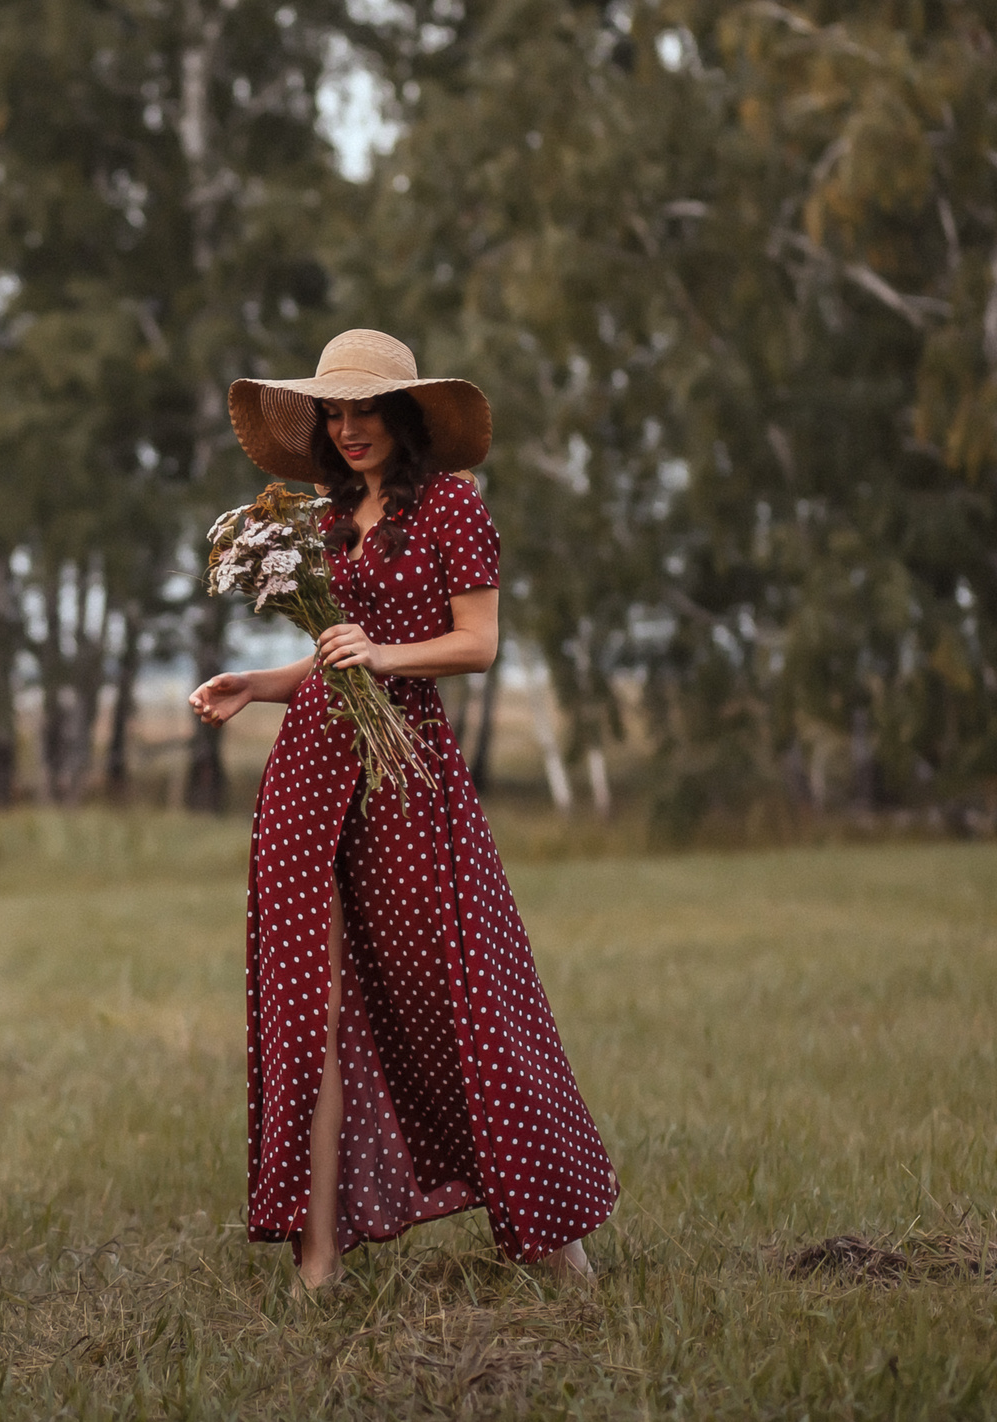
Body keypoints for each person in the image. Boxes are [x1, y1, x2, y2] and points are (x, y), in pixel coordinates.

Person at [189, 329, 616, 1292]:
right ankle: (317, 1263)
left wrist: (381, 656)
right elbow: (333, 657)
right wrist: (257, 684)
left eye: (363, 410)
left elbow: (477, 645)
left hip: (408, 780)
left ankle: (556, 1245)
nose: (346, 430)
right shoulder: (329, 525)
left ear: (404, 415)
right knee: (313, 1009)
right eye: (332, 413)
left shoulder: (453, 510)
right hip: (308, 775)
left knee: (458, 992)